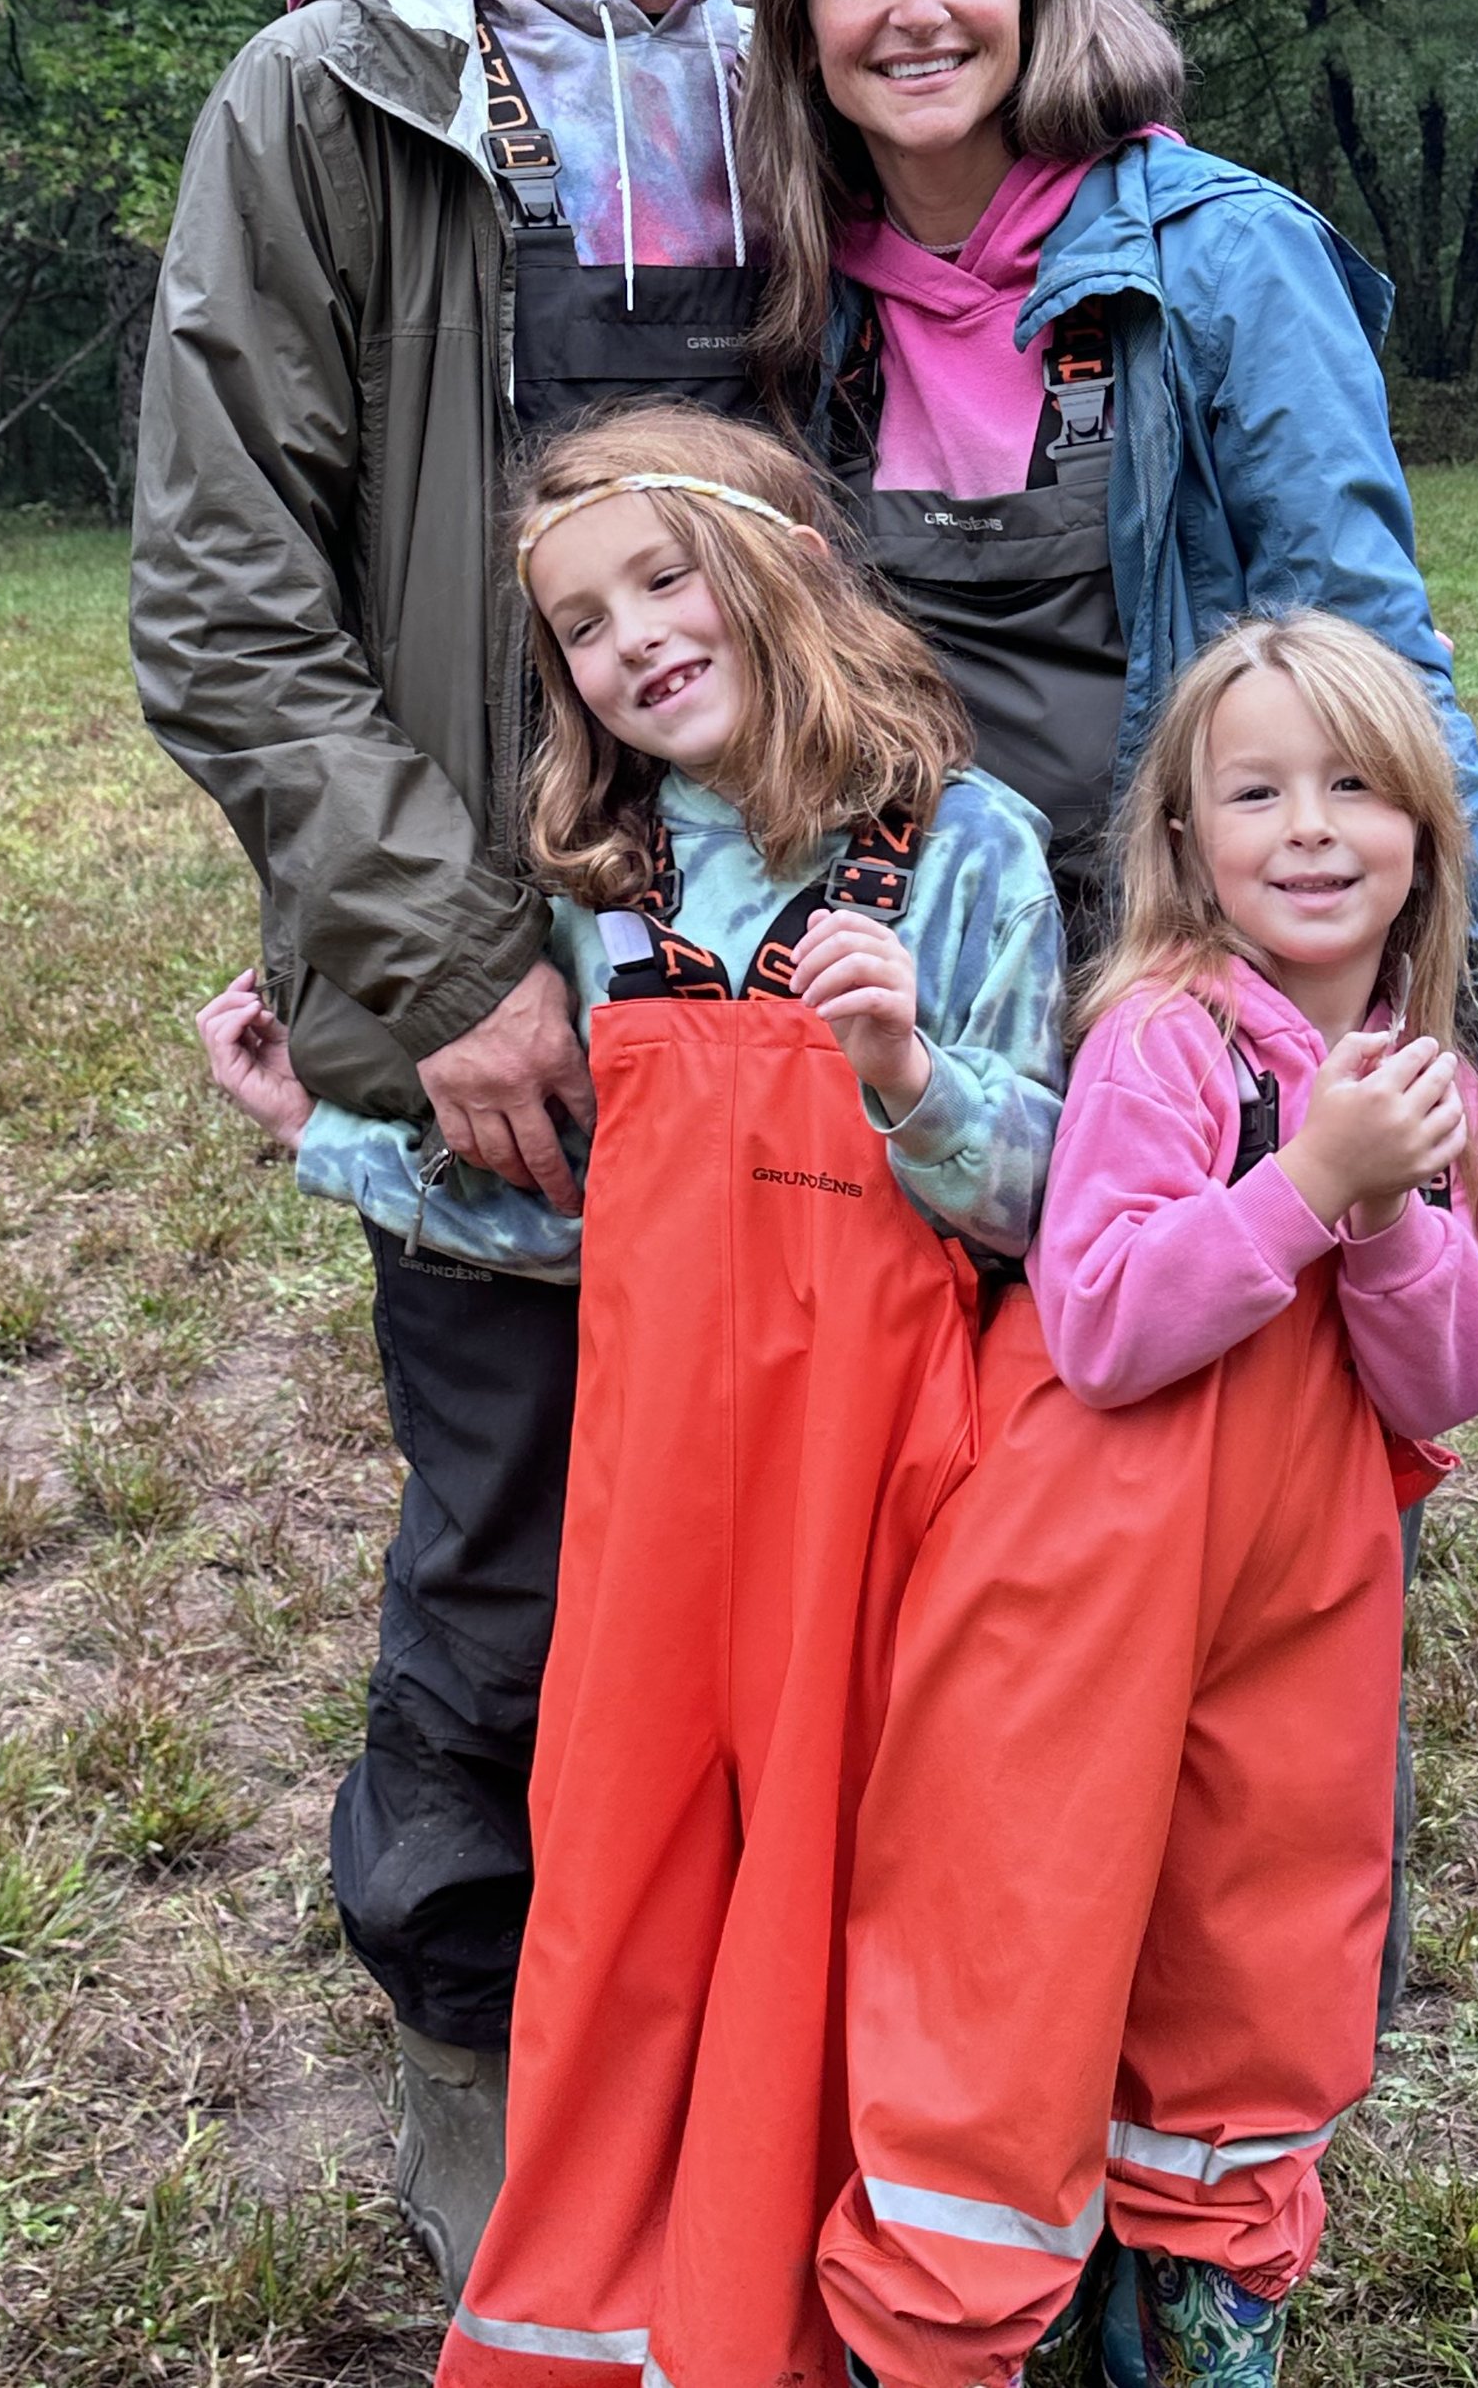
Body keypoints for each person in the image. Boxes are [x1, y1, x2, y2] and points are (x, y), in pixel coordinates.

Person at [736, 0, 1478, 2054]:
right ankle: (997, 2031)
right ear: (797, 22)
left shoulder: (1211, 252)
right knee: (1010, 1548)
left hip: (1212, 1016)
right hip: (953, 1022)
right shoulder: (807, 297)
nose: (914, 7)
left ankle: (1238, 2086)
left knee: (1260, 1566)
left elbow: (1370, 648)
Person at [131, 0, 784, 2286]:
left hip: (796, 978)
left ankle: (757, 2050)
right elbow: (221, 575)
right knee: (510, 1539)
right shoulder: (336, 91)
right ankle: (476, 2052)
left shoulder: (820, 77)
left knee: (794, 1537)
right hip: (498, 983)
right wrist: (430, 959)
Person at [200, 400, 1066, 2388]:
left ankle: (880, 2296)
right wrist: (315, 1136)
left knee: (869, 1885)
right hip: (656, 1517)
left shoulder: (962, 850)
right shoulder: (605, 887)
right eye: (582, 622)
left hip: (883, 1500)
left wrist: (915, 1081)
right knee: (641, 1887)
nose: (633, 641)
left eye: (664, 581)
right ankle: (645, 2288)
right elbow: (575, 1211)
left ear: (781, 571)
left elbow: (1038, 1198)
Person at [819, 611, 1478, 2388]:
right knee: (1027, 1920)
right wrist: (1308, 1181)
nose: (1309, 825)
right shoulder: (1162, 1037)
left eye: (1356, 786)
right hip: (1093, 1573)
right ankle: (956, 2306)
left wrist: (1382, 1206)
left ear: (1425, 842)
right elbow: (1110, 1317)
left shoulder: (1424, 1082)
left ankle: (1197, 2273)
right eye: (1259, 789)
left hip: (1295, 1592)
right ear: (1185, 842)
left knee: (1257, 1926)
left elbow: (1454, 1375)